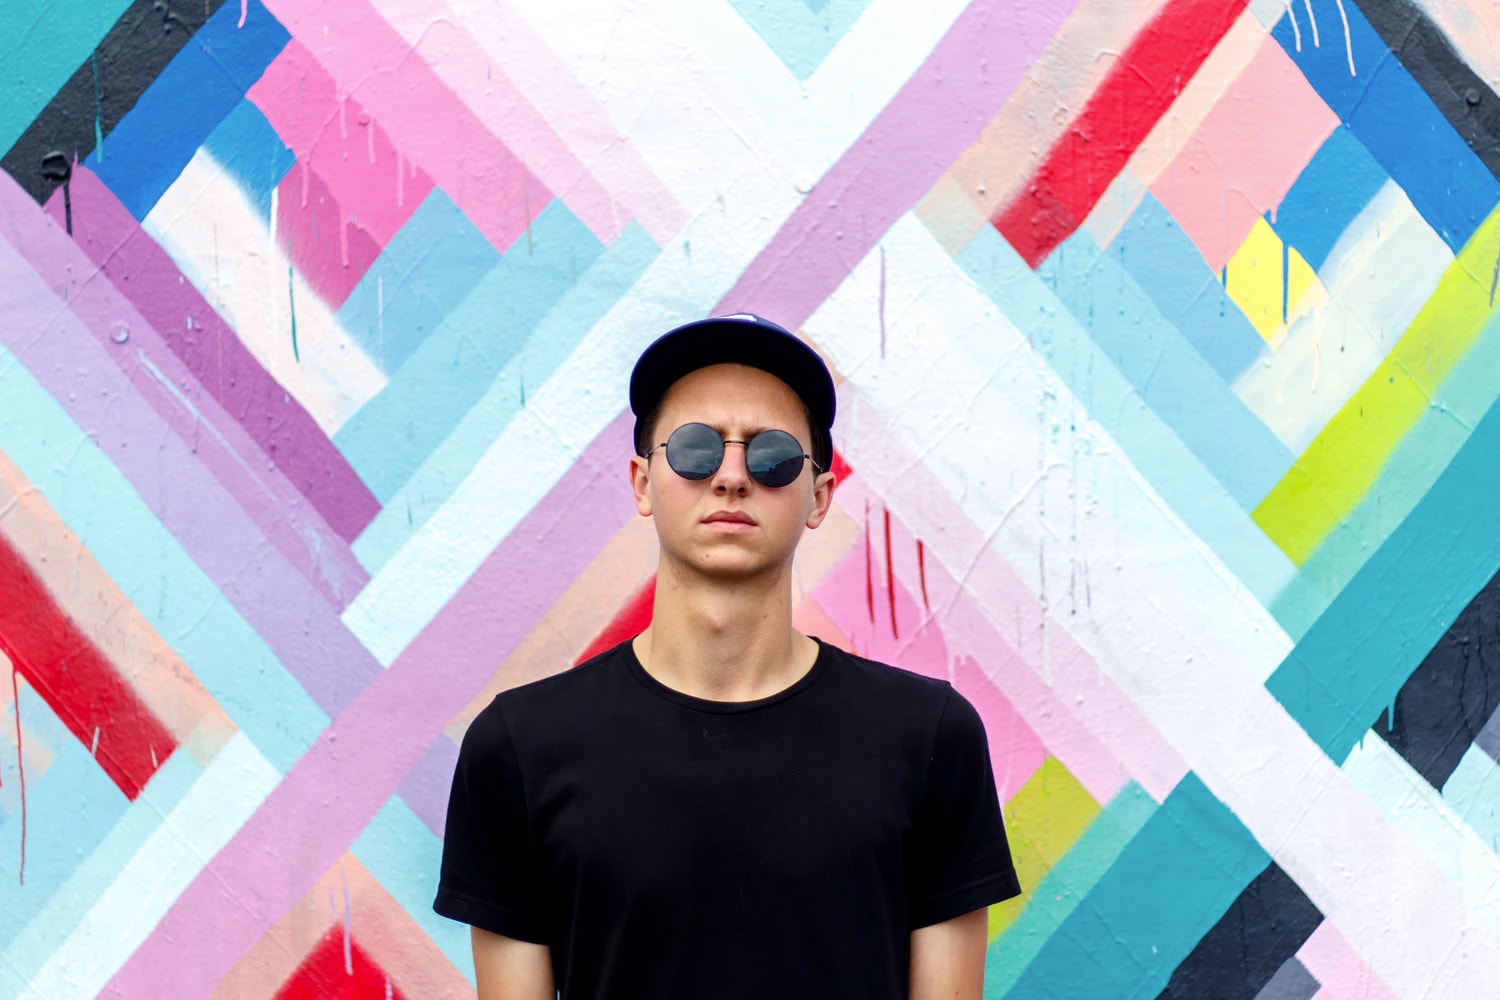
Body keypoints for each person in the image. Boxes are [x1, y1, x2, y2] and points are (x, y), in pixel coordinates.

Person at [434, 314, 1020, 999]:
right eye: (695, 448)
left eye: (771, 455)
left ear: (819, 497)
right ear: (642, 483)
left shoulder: (930, 739)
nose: (732, 476)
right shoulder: (518, 749)